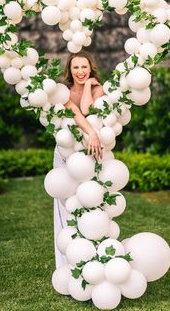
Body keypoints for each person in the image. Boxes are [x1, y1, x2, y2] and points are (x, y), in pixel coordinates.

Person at [53, 50, 104, 268]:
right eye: (75, 67)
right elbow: (76, 112)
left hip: (88, 156)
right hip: (65, 153)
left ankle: (90, 258)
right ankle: (66, 262)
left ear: (90, 68)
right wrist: (92, 132)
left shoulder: (99, 89)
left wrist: (87, 87)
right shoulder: (63, 91)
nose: (80, 71)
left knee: (89, 202)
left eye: (84, 67)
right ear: (69, 70)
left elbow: (87, 108)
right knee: (64, 204)